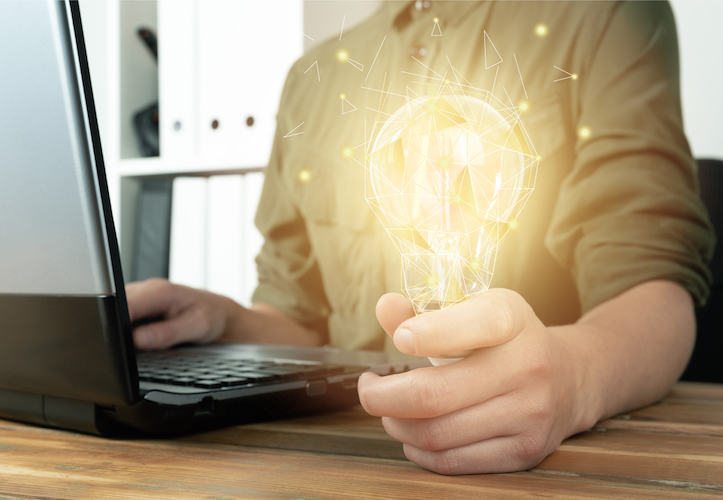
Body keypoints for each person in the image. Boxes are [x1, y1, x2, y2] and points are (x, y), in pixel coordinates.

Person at [127, 1, 715, 475]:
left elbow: (656, 294)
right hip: (332, 464)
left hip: (530, 470)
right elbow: (298, 315)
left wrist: (573, 380)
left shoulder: (604, 17)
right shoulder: (313, 76)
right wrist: (223, 322)